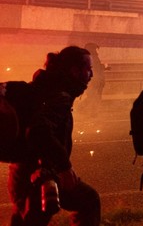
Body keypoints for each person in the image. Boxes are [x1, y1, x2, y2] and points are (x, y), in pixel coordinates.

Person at [7, 46, 101, 226]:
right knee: (89, 200)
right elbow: (38, 131)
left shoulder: (46, 87)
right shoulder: (58, 95)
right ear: (74, 70)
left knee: (23, 220)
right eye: (88, 69)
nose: (91, 75)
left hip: (27, 172)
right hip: (39, 175)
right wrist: (64, 167)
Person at [76, 43, 107, 116]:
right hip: (96, 81)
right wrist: (104, 67)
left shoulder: (88, 57)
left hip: (94, 81)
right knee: (95, 97)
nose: (98, 50)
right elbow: (96, 68)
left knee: (93, 97)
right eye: (96, 49)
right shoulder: (93, 57)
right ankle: (91, 112)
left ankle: (89, 111)